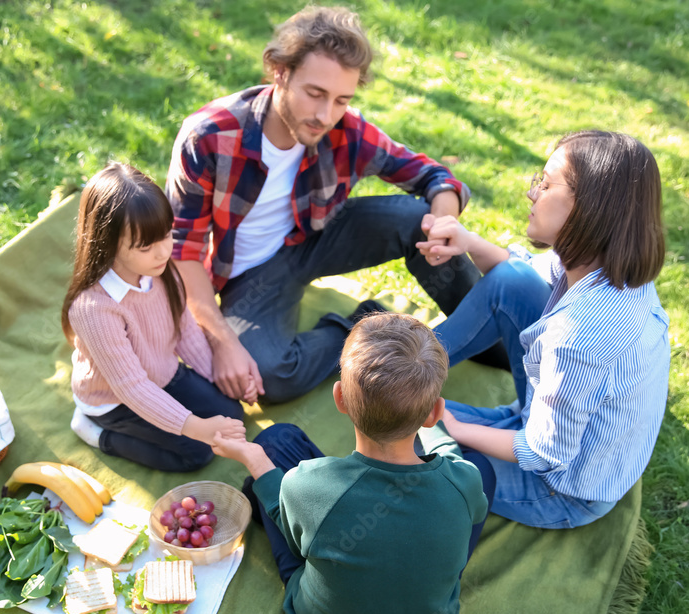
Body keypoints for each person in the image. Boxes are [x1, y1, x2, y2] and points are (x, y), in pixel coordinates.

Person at [166, 5, 505, 405]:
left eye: (342, 100)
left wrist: (445, 222)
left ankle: (490, 338)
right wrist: (222, 340)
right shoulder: (208, 137)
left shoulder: (348, 129)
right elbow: (182, 252)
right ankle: (364, 326)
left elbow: (435, 177)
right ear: (279, 71)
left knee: (424, 221)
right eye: (315, 94)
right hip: (249, 274)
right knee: (270, 376)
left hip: (315, 238)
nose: (326, 115)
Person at [416, 130, 670, 529]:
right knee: (510, 280)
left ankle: (412, 395)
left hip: (561, 490)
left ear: (589, 209)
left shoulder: (581, 336)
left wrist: (459, 429)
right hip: (548, 427)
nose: (532, 193)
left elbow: (542, 454)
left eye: (547, 184)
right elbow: (518, 279)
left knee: (409, 432)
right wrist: (466, 242)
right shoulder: (605, 266)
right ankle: (410, 364)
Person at [211, 312, 496, 614]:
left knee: (274, 442)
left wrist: (254, 459)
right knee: (482, 471)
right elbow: (458, 469)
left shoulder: (307, 484)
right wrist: (440, 435)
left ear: (340, 398)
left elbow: (286, 518)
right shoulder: (463, 480)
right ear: (434, 412)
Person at [60, 162, 247, 472]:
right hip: (115, 400)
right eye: (146, 246)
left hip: (162, 373)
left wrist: (216, 378)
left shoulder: (159, 270)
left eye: (166, 235)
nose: (163, 252)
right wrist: (194, 427)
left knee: (232, 415)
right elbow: (131, 387)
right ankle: (97, 434)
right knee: (196, 452)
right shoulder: (94, 309)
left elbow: (185, 330)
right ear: (108, 245)